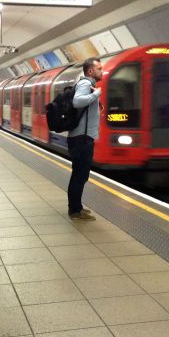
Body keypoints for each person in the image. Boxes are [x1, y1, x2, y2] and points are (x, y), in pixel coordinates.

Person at [67, 57, 104, 221]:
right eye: (99, 69)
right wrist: (96, 94)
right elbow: (77, 102)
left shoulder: (87, 84)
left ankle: (77, 207)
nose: (101, 71)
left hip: (83, 138)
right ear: (90, 71)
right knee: (79, 176)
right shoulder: (85, 84)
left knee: (80, 175)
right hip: (81, 139)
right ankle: (75, 210)